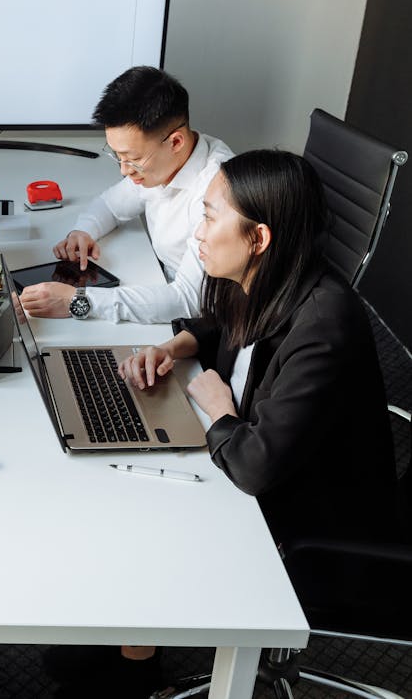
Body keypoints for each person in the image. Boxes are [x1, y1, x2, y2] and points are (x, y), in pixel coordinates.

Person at [52, 150, 400, 698]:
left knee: (144, 518)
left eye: (210, 217)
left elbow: (255, 467)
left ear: (258, 237)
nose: (199, 232)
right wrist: (178, 344)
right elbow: (224, 324)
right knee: (119, 481)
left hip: (310, 526)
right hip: (269, 468)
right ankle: (122, 645)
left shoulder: (324, 325)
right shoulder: (269, 276)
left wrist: (219, 411)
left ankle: (134, 667)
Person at [20, 66, 233, 324]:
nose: (124, 170)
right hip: (160, 287)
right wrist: (83, 232)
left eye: (133, 159)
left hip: (203, 320)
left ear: (176, 142)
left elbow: (187, 300)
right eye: (117, 156)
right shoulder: (160, 162)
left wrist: (78, 300)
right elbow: (110, 206)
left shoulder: (219, 191)